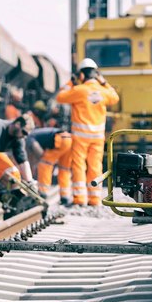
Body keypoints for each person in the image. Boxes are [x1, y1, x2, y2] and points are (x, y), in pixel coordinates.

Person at [56, 58, 120, 206]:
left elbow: (60, 97)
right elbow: (115, 97)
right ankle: (95, 198)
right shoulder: (103, 91)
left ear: (82, 75)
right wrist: (104, 82)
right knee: (95, 166)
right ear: (96, 74)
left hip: (80, 136)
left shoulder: (78, 90)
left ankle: (80, 199)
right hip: (97, 137)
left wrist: (71, 82)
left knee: (79, 165)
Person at [26, 127, 73, 205]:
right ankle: (65, 196)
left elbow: (38, 152)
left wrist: (40, 159)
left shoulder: (30, 137)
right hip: (69, 139)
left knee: (45, 164)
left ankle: (43, 192)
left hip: (60, 139)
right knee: (64, 169)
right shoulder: (39, 134)